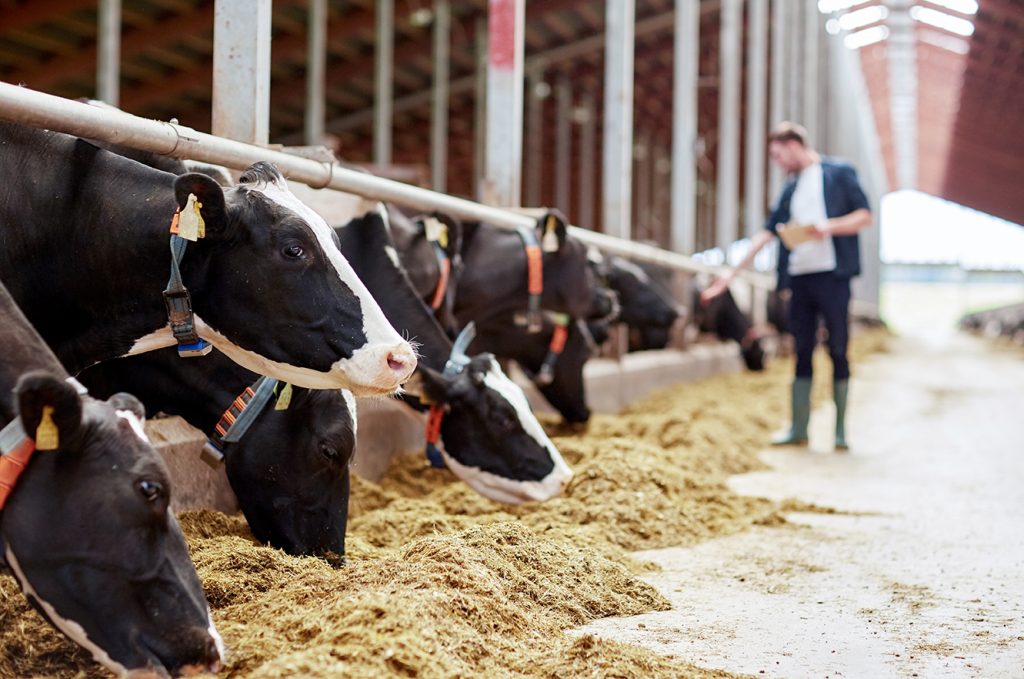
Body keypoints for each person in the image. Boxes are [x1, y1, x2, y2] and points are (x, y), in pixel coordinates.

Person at [701, 122, 872, 450]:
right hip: (799, 279)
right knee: (801, 350)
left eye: (779, 155)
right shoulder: (790, 189)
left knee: (838, 348)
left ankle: (839, 432)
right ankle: (799, 428)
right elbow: (766, 233)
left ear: (794, 145)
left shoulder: (839, 173)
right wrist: (729, 275)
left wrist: (828, 227)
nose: (778, 162)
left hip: (833, 277)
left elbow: (865, 216)